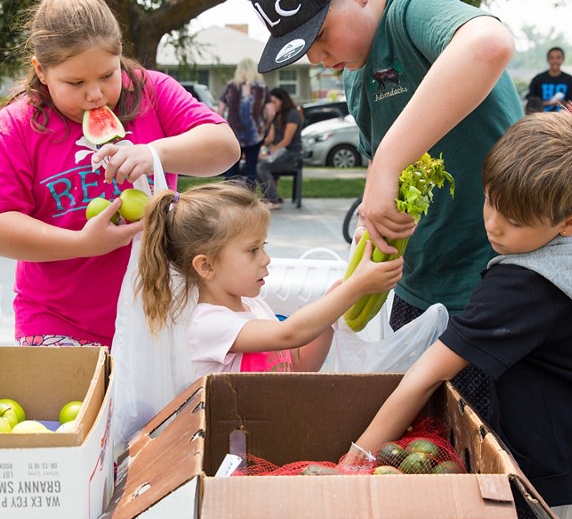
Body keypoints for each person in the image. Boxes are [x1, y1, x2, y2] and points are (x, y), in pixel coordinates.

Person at [356, 112, 572, 519]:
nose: (493, 226)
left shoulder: (526, 284)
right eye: (489, 202)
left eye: (515, 221)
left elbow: (423, 378)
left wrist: (356, 460)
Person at [249, 0, 523, 410]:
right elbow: (386, 170)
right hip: (418, 287)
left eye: (319, 36)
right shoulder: (357, 77)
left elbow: (489, 44)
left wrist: (385, 165)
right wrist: (373, 221)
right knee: (423, 447)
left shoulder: (412, 7)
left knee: (490, 455)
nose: (316, 57)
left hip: (493, 283)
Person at [0, 0, 237, 348]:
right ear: (41, 70)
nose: (95, 94)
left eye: (107, 75)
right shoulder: (12, 129)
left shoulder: (151, 91)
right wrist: (82, 243)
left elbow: (225, 148)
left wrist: (154, 153)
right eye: (76, 82)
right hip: (57, 321)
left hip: (160, 311)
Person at [136, 182, 402, 376]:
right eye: (253, 250)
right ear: (206, 266)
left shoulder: (255, 307)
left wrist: (330, 313)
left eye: (263, 246)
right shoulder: (209, 323)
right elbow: (289, 334)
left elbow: (299, 364)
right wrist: (355, 288)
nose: (266, 259)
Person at [216, 57, 267, 185]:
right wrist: (264, 124)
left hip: (234, 133)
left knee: (231, 167)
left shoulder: (231, 86)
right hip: (255, 134)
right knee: (251, 169)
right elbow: (271, 111)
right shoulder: (261, 87)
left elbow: (220, 110)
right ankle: (248, 201)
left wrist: (221, 128)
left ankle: (229, 198)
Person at [254, 87, 303, 207]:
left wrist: (270, 153)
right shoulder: (276, 116)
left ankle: (274, 200)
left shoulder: (293, 114)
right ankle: (270, 198)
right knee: (256, 164)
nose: (272, 105)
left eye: (274, 102)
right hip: (279, 153)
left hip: (291, 155)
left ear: (282, 101)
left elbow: (286, 141)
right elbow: (271, 139)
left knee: (262, 167)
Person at [527, 46, 572, 112]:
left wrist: (562, 103)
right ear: (548, 59)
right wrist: (548, 103)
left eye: (558, 57)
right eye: (552, 58)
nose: (555, 61)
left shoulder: (569, 79)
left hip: (563, 119)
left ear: (563, 59)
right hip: (541, 119)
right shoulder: (538, 79)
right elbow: (531, 102)